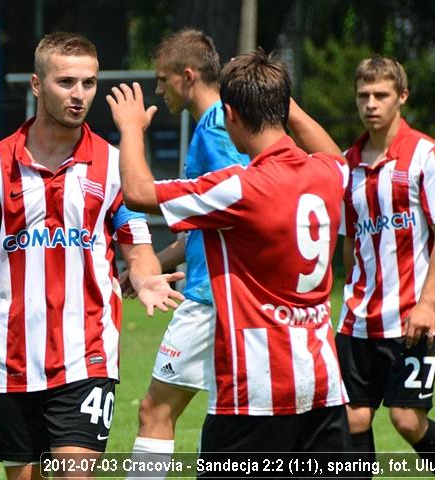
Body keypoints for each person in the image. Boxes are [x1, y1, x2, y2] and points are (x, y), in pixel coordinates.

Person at [0, 32, 183, 480]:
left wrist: (145, 278)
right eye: (66, 82)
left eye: (88, 83)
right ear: (37, 85)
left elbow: (134, 243)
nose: (79, 95)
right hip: (14, 360)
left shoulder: (111, 164)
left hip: (88, 354)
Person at [107, 50, 350, 461]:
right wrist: (285, 106)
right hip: (322, 384)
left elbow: (138, 193)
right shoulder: (327, 175)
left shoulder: (241, 187)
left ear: (232, 114)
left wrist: (131, 129)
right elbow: (339, 158)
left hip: (254, 388)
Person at [337, 56, 435, 479]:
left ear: (402, 97)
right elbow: (348, 241)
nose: (371, 104)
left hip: (412, 313)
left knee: (406, 420)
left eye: (381, 95)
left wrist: (428, 304)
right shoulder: (347, 163)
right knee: (353, 419)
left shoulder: (427, 156)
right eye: (364, 95)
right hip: (358, 318)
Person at [125, 29, 251, 466]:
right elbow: (201, 229)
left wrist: (130, 134)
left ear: (188, 76)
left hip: (210, 299)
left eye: (163, 79)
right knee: (224, 419)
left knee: (154, 411)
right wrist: (146, 270)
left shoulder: (215, 129)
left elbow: (239, 206)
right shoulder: (219, 124)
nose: (160, 90)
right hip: (227, 298)